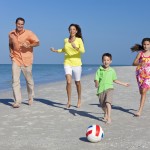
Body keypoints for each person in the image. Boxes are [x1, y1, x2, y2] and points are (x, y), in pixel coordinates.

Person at [50, 24, 85, 108]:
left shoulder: (79, 40)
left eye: (73, 29)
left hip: (77, 63)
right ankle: (69, 101)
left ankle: (79, 99)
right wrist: (55, 50)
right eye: (70, 29)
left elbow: (83, 51)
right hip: (67, 62)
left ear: (76, 31)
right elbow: (64, 49)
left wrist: (76, 47)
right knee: (68, 81)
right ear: (69, 31)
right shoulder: (66, 40)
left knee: (77, 82)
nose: (72, 31)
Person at [9, 17, 40, 108]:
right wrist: (11, 53)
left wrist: (29, 45)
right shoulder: (11, 34)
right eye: (19, 24)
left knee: (29, 81)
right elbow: (10, 44)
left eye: (22, 24)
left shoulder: (29, 33)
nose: (20, 26)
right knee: (15, 80)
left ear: (23, 25)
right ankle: (17, 101)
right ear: (15, 23)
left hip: (27, 59)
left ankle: (30, 97)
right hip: (16, 59)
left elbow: (37, 43)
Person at [94, 53, 129, 124]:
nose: (106, 61)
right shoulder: (99, 70)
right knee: (103, 106)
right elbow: (96, 79)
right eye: (104, 60)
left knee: (108, 102)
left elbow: (115, 80)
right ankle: (105, 113)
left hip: (109, 88)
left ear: (110, 61)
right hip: (101, 90)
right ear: (102, 61)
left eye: (108, 60)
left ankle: (109, 118)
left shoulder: (112, 70)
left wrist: (124, 84)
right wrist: (96, 83)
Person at [131, 38, 150, 116]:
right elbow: (133, 63)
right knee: (141, 92)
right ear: (142, 45)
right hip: (140, 75)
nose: (146, 46)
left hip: (148, 76)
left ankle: (139, 110)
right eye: (144, 44)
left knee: (144, 91)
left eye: (147, 44)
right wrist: (140, 64)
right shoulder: (140, 54)